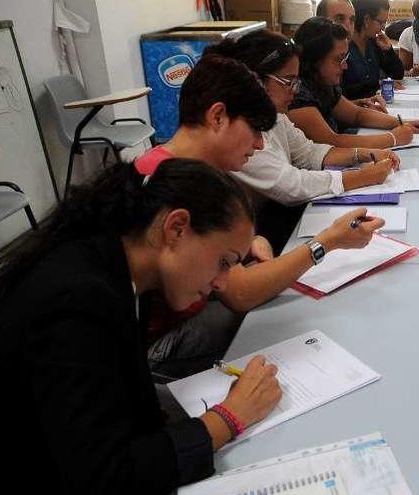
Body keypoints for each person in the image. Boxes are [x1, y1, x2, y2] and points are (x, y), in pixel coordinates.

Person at [0, 160, 283, 493]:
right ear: (176, 228)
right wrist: (229, 417)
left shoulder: (121, 266)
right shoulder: (76, 300)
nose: (223, 281)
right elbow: (106, 477)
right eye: (224, 262)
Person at [136, 53, 386, 379]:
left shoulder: (182, 167)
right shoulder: (174, 184)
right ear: (218, 117)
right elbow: (240, 293)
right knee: (283, 319)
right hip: (158, 346)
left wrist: (248, 244)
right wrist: (326, 243)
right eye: (255, 131)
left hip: (180, 315)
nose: (257, 145)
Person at [204, 31, 400, 246]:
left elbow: (309, 152)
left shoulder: (276, 115)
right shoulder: (236, 130)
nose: (294, 91)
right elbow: (290, 185)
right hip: (262, 228)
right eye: (287, 81)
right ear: (255, 79)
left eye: (296, 81)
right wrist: (363, 176)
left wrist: (364, 155)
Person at [289, 17, 419, 148]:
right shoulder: (297, 95)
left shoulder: (322, 82)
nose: (345, 66)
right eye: (339, 59)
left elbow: (357, 115)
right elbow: (332, 141)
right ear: (313, 60)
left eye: (345, 59)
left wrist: (402, 122)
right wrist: (393, 138)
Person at [316, 0, 389, 112]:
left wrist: (359, 104)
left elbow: (334, 108)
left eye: (352, 20)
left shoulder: (370, 42)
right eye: (339, 19)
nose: (348, 26)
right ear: (320, 21)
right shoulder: (313, 61)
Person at [343, 0, 405, 100]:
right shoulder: (344, 45)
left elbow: (398, 74)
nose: (383, 27)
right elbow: (344, 90)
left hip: (374, 104)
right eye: (381, 22)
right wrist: (379, 84)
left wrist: (389, 50)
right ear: (366, 20)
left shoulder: (374, 42)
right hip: (354, 109)